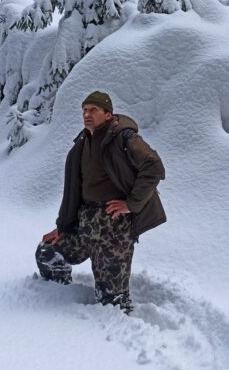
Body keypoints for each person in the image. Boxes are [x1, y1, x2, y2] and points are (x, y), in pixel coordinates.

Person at [35, 91, 166, 313]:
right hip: (85, 225)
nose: (87, 114)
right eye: (84, 109)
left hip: (113, 230)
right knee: (48, 253)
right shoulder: (81, 144)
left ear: (108, 114)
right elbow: (73, 193)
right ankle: (60, 297)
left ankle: (114, 334)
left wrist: (131, 204)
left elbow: (154, 167)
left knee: (112, 303)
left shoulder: (124, 138)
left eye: (93, 109)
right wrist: (63, 227)